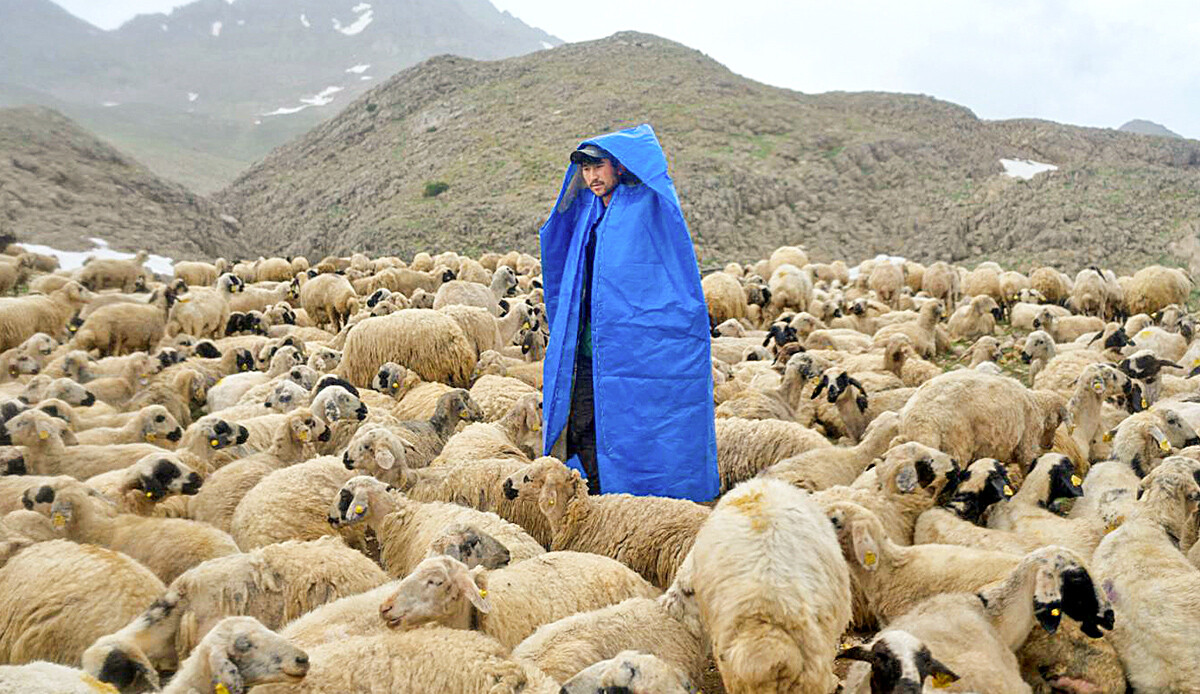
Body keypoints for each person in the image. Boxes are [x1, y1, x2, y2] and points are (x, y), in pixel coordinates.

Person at [539, 123, 719, 502]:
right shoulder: (587, 215)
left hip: (636, 349)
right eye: (585, 170)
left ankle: (643, 501)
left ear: (618, 167)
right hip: (588, 346)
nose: (591, 177)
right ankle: (599, 498)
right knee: (578, 424)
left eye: (598, 167)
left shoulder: (646, 210)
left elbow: (661, 275)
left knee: (642, 424)